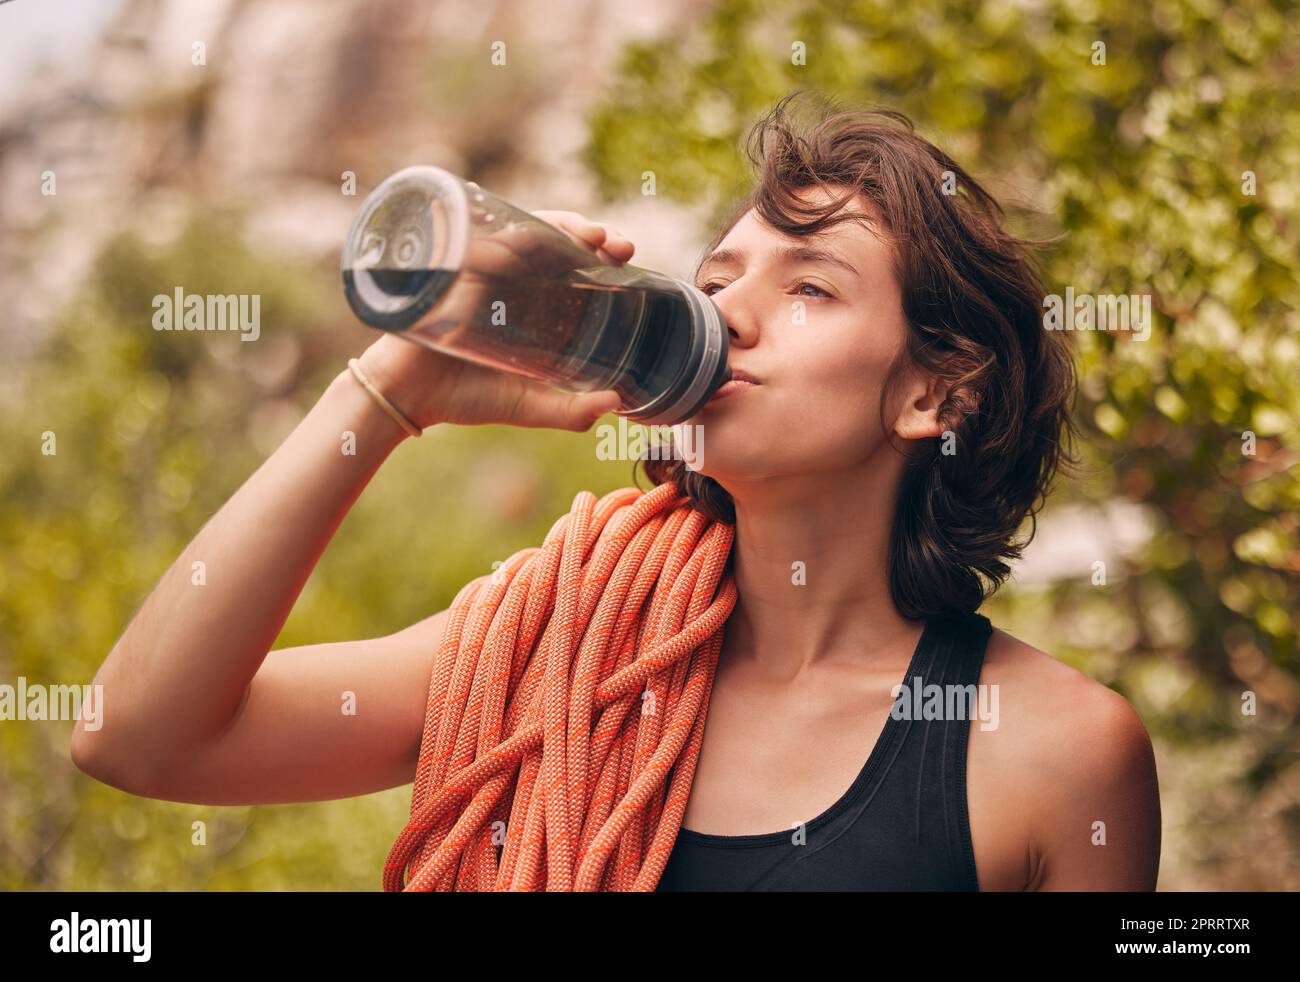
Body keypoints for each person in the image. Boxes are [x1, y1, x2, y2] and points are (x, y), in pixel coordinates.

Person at [71, 92, 1161, 891]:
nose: (728, 313)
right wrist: (390, 392)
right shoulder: (556, 653)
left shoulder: (1055, 754)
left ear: (934, 393)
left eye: (812, 287)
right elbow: (136, 736)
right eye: (719, 279)